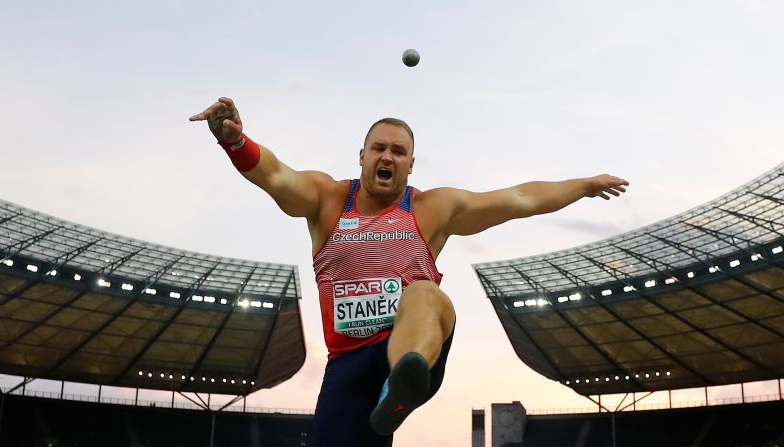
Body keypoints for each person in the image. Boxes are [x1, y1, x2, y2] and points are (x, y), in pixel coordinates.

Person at [189, 97, 628, 446]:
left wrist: (585, 186)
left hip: (409, 347)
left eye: (399, 151)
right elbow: (277, 176)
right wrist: (234, 142)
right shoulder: (327, 198)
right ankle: (387, 400)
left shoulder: (431, 209)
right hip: (347, 366)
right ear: (361, 156)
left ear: (411, 164)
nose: (388, 156)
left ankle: (402, 381)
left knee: (425, 293)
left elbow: (519, 199)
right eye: (379, 148)